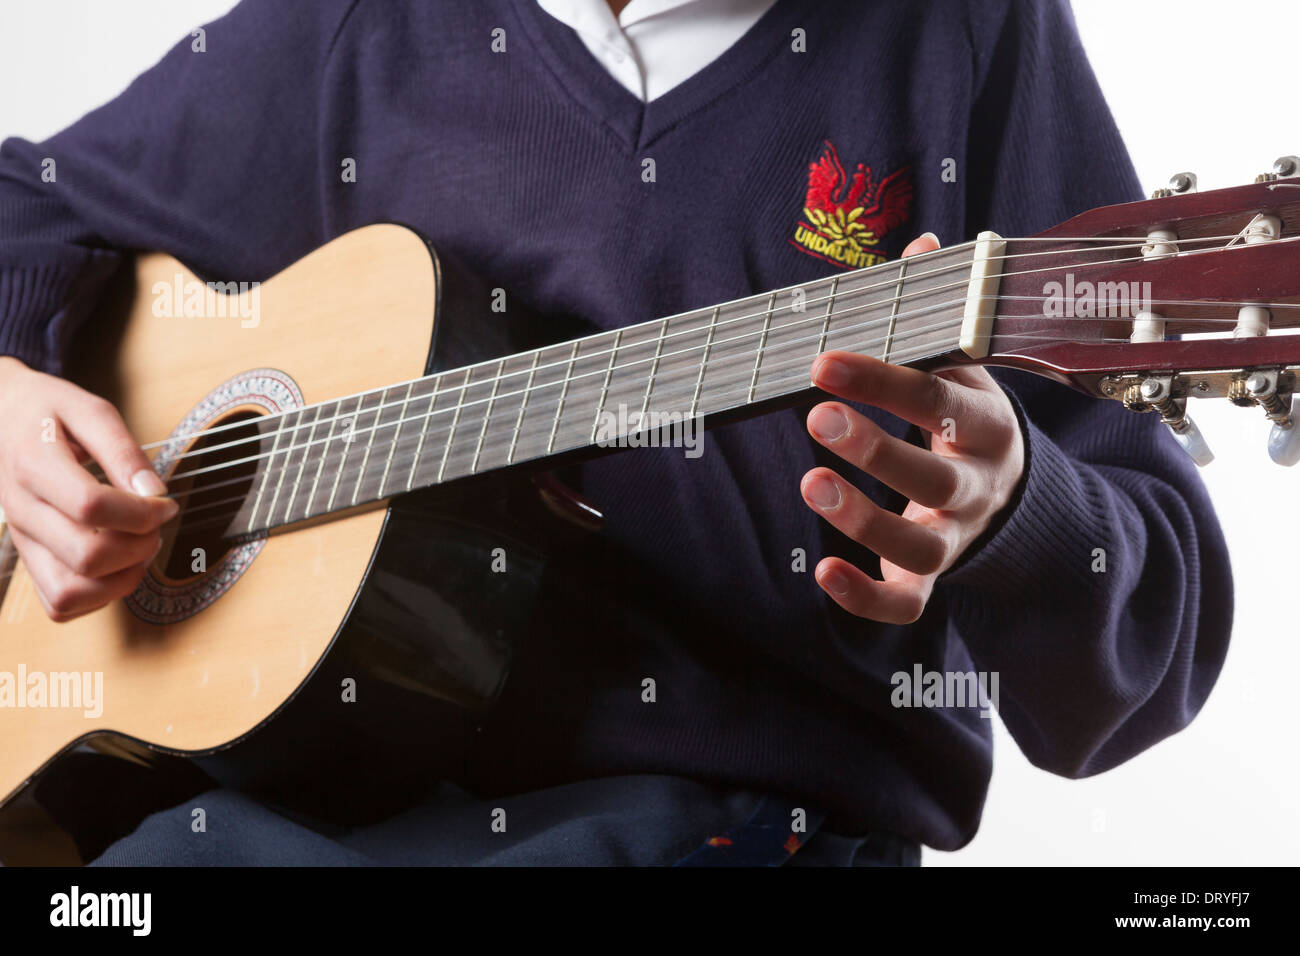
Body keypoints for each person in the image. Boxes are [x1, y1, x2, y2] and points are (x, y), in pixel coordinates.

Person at [0, 0, 1231, 865]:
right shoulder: (367, 26)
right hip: (295, 798)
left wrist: (1015, 509)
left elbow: (1151, 635)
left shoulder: (964, 33)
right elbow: (24, 206)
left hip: (731, 819)